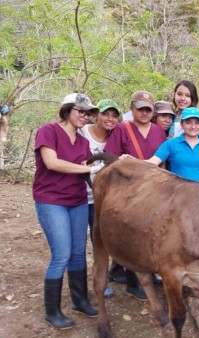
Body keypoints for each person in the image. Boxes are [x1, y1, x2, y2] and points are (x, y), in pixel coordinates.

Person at [33, 93, 101, 329]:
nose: (85, 116)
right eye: (80, 111)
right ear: (66, 110)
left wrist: (95, 170)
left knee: (78, 252)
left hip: (77, 200)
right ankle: (52, 312)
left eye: (88, 112)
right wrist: (86, 169)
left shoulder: (83, 142)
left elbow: (84, 170)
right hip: (51, 200)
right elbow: (52, 163)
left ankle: (80, 301)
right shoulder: (48, 131)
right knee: (61, 253)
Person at [104, 90, 166, 300]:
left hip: (154, 191)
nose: (144, 113)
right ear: (132, 109)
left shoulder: (158, 131)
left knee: (150, 233)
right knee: (132, 235)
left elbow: (162, 160)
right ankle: (133, 280)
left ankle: (148, 273)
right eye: (140, 108)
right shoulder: (122, 129)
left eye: (148, 109)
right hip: (129, 192)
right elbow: (110, 159)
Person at [79, 98, 122, 299]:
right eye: (106, 114)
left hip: (105, 197)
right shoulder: (83, 132)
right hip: (80, 194)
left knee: (101, 240)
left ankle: (101, 281)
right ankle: (79, 288)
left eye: (114, 116)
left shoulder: (116, 137)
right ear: (96, 115)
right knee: (78, 243)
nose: (110, 119)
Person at [146, 107, 199, 183]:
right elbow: (153, 162)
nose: (193, 127)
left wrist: (197, 189)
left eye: (197, 123)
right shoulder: (171, 143)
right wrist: (133, 162)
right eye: (188, 122)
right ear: (181, 123)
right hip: (177, 192)